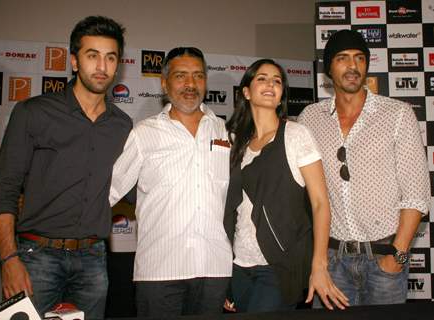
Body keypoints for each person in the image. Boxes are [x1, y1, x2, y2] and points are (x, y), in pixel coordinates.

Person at [0, 16, 132, 318]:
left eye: (110, 57)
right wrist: (8, 259)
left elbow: (132, 188)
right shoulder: (33, 112)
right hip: (34, 257)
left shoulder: (123, 126)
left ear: (118, 65)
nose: (102, 67)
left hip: (94, 260)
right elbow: (3, 190)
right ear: (74, 61)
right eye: (92, 56)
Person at [298, 29, 430, 306]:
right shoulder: (310, 118)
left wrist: (399, 257)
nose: (352, 66)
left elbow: (416, 196)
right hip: (332, 262)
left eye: (359, 58)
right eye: (343, 58)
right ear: (328, 70)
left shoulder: (397, 115)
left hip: (384, 259)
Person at [109, 47, 232, 317]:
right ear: (164, 84)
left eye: (198, 76)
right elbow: (108, 190)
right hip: (159, 272)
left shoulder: (224, 131)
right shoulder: (144, 133)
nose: (191, 84)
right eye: (181, 76)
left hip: (215, 268)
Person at [223, 58, 348, 313]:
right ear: (246, 91)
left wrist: (319, 266)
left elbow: (320, 203)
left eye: (277, 81)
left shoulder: (295, 135)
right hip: (238, 266)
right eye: (262, 78)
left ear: (281, 96)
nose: (270, 84)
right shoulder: (236, 142)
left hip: (279, 266)